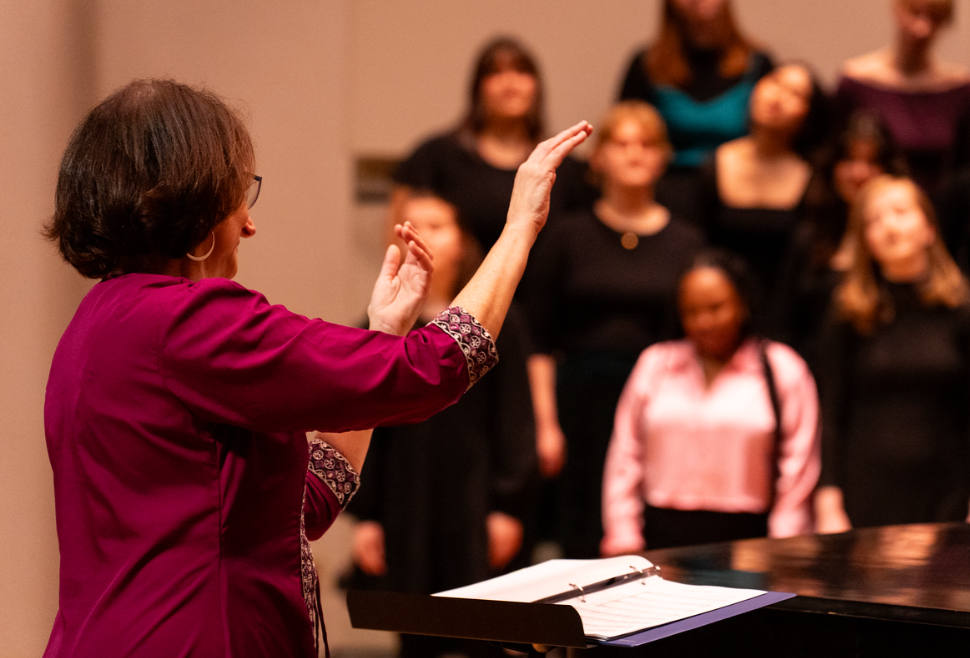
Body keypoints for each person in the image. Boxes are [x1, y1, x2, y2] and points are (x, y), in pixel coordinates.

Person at [42, 78, 591, 658]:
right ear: (193, 205)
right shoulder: (189, 321)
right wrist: (520, 227)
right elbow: (438, 366)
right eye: (238, 198)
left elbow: (299, 507)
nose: (248, 226)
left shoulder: (96, 324)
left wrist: (383, 334)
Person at [347, 192, 536, 658]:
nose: (423, 234)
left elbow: (514, 417)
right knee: (415, 626)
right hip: (405, 501)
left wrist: (508, 504)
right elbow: (365, 426)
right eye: (411, 224)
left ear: (462, 240)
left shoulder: (499, 324)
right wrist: (366, 516)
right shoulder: (382, 326)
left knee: (484, 630)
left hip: (474, 500)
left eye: (437, 225)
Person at [526, 101, 705, 558]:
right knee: (583, 529)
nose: (634, 154)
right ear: (600, 157)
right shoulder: (566, 235)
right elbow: (538, 338)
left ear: (663, 157)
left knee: (655, 526)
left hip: (662, 399)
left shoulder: (688, 242)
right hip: (582, 402)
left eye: (646, 144)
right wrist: (546, 424)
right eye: (622, 143)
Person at [600, 250, 820, 554]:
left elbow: (799, 464)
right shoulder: (655, 364)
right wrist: (623, 533)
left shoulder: (781, 368)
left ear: (742, 304)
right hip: (661, 537)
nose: (703, 322)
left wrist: (783, 544)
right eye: (691, 311)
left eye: (716, 308)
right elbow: (625, 455)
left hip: (749, 544)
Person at [815, 175, 970, 533]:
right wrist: (828, 497)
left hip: (947, 489)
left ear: (929, 229)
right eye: (874, 220)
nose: (888, 227)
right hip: (865, 490)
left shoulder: (961, 308)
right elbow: (833, 408)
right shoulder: (848, 311)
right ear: (865, 240)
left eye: (900, 212)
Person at [391, 36, 595, 253]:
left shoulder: (565, 166)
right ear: (478, 86)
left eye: (521, 72)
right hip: (460, 286)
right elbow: (398, 237)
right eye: (496, 72)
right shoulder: (436, 155)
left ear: (536, 86)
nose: (510, 83)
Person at [699, 62, 828, 335]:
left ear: (809, 117)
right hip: (717, 321)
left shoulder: (813, 178)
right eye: (775, 82)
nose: (778, 97)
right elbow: (699, 249)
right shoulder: (715, 164)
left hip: (786, 320)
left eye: (795, 94)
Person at [617, 0, 773, 221]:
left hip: (743, 196)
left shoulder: (757, 63)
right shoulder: (648, 64)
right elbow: (620, 135)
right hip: (667, 199)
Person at [782, 111, 908, 363]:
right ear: (832, 167)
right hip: (809, 369)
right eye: (849, 161)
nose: (859, 173)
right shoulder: (809, 235)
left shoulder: (901, 239)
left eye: (872, 163)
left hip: (882, 371)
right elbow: (784, 319)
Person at [833, 0, 970, 194]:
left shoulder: (959, 90)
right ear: (897, 10)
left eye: (935, 18)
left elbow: (963, 171)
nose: (922, 28)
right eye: (915, 13)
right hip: (870, 212)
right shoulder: (855, 83)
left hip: (937, 216)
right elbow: (834, 160)